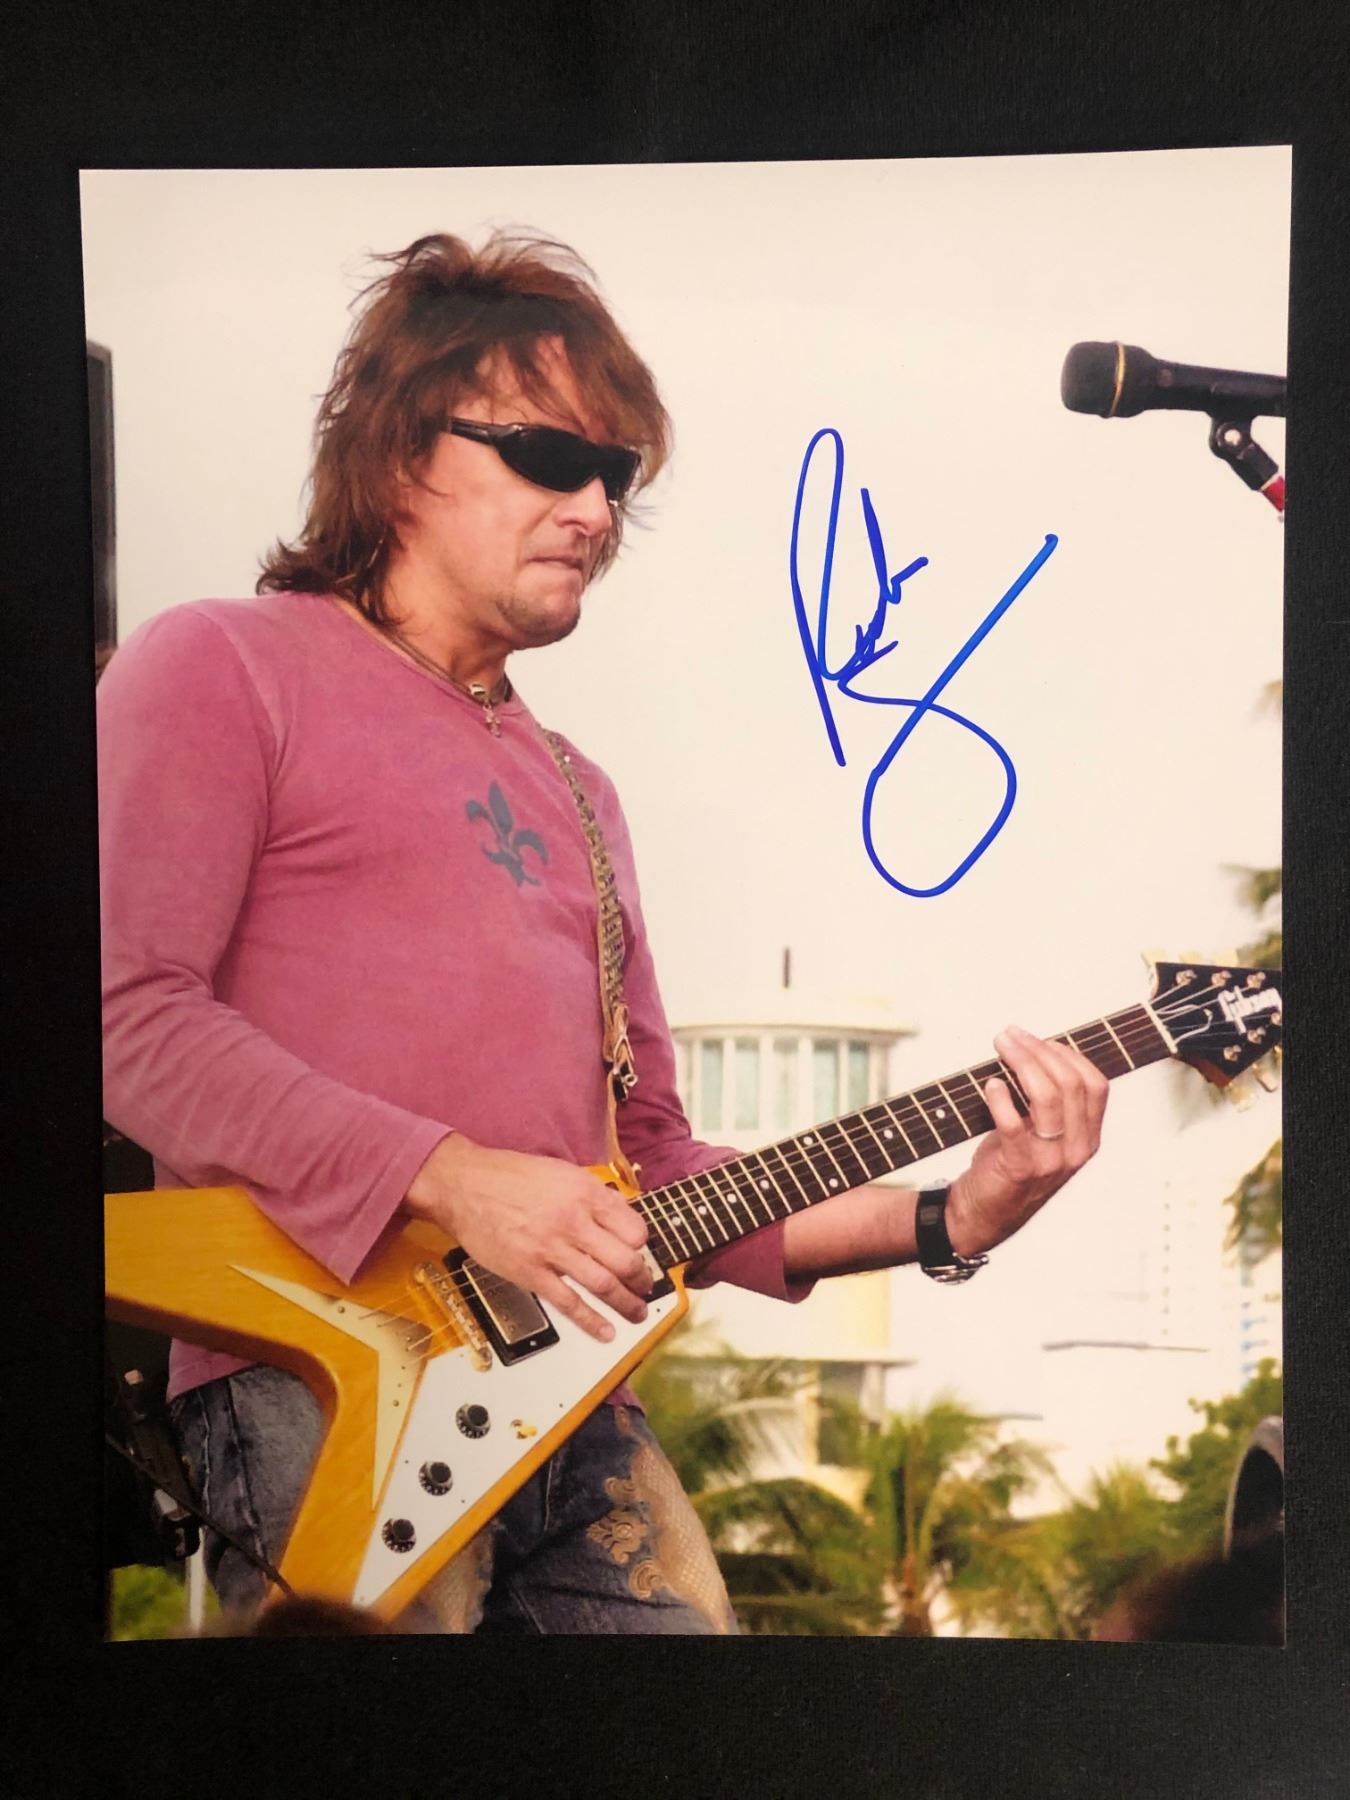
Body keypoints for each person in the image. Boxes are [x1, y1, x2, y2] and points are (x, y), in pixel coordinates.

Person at [99, 230, 1110, 1635]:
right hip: (313, 1372)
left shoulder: (581, 793)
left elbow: (659, 1172)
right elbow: (122, 1018)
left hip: (578, 1397)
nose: (593, 508)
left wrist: (952, 1214)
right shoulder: (222, 664)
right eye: (548, 458)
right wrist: (451, 1178)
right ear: (399, 453)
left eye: (615, 475)